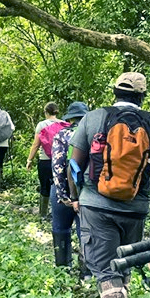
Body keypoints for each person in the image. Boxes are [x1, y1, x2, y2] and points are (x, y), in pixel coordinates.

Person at [70, 71, 150, 298]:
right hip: (135, 208)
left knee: (106, 269)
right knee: (123, 262)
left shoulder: (93, 118)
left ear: (114, 91)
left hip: (96, 205)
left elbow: (73, 165)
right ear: (142, 96)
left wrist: (76, 197)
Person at [49, 101, 89, 273]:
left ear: (70, 118)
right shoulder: (93, 135)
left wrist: (63, 196)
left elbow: (57, 167)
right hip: (87, 193)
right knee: (85, 232)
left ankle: (63, 269)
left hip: (64, 191)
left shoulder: (62, 135)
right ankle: (86, 273)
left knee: (61, 228)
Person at [25, 102, 66, 219]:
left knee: (45, 186)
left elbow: (36, 145)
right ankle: (58, 213)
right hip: (61, 161)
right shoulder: (63, 124)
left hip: (45, 161)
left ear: (46, 112)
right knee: (60, 185)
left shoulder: (42, 125)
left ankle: (43, 214)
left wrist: (29, 160)